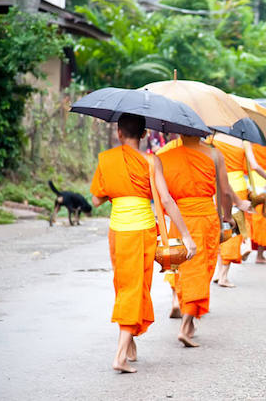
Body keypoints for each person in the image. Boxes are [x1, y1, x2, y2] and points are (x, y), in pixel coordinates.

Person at [90, 114, 196, 372]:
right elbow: (167, 201)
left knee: (124, 285)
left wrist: (119, 189)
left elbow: (95, 200)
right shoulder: (151, 161)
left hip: (117, 232)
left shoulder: (106, 159)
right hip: (141, 232)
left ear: (118, 132)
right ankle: (119, 356)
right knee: (135, 289)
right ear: (145, 134)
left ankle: (130, 343)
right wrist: (186, 236)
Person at [157, 134, 232, 347]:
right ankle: (186, 324)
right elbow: (224, 192)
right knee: (200, 270)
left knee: (183, 269)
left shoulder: (164, 156)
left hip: (178, 219)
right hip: (205, 218)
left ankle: (187, 319)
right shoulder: (214, 154)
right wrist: (226, 217)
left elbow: (162, 196)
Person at [207, 135, 253, 286]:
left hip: (216, 188)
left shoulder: (212, 140)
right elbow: (251, 166)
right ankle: (224, 276)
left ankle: (220, 271)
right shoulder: (242, 142)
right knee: (232, 228)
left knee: (221, 226)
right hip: (237, 187)